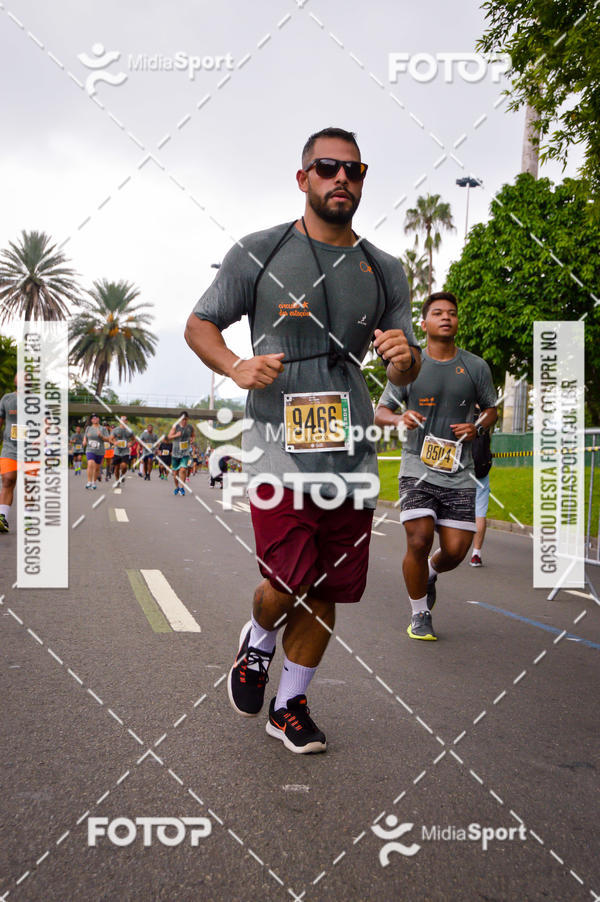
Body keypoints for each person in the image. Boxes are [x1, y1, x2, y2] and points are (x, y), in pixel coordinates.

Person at [185, 126, 420, 753]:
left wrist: (405, 361)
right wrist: (235, 365)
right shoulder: (259, 252)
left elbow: (405, 366)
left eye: (353, 170)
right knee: (290, 579)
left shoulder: (384, 269)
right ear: (303, 178)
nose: (341, 178)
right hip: (275, 445)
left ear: (363, 181)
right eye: (327, 167)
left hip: (350, 450)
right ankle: (257, 639)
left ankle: (289, 705)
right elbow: (200, 324)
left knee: (328, 585)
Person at [375, 291, 497, 641]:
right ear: (424, 323)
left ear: (457, 322)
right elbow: (380, 411)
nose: (446, 317)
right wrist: (399, 418)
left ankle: (429, 571)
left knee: (456, 551)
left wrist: (478, 426)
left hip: (460, 471)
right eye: (439, 313)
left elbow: (491, 409)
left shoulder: (475, 366)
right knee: (419, 539)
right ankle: (419, 613)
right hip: (418, 466)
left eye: (452, 313)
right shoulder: (409, 365)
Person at [469, 408, 493, 567]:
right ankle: (476, 554)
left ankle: (449, 548)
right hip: (481, 471)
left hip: (462, 471)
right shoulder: (487, 416)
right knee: (480, 513)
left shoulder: (461, 411)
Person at [168, 412, 195, 495]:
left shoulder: (190, 427)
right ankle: (177, 487)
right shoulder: (175, 427)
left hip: (185, 452)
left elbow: (193, 435)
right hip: (175, 452)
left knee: (183, 470)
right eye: (182, 419)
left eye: (185, 419)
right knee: (175, 472)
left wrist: (192, 439)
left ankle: (182, 487)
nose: (184, 421)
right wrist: (176, 435)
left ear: (188, 419)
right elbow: (169, 437)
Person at [83, 413, 111, 489]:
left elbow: (108, 439)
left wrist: (101, 436)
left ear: (98, 419)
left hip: (100, 450)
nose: (94, 419)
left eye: (96, 418)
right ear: (91, 420)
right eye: (93, 418)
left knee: (97, 468)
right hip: (90, 449)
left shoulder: (103, 429)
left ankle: (93, 482)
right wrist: (84, 441)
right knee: (90, 463)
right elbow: (85, 436)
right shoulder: (88, 428)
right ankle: (89, 482)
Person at [112, 416, 134, 485]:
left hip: (125, 451)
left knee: (124, 466)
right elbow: (111, 438)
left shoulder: (130, 430)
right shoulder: (115, 430)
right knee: (116, 467)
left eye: (125, 420)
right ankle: (117, 480)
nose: (123, 421)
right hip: (117, 451)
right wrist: (114, 442)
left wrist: (131, 443)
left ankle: (122, 474)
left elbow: (134, 439)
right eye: (122, 420)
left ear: (126, 421)